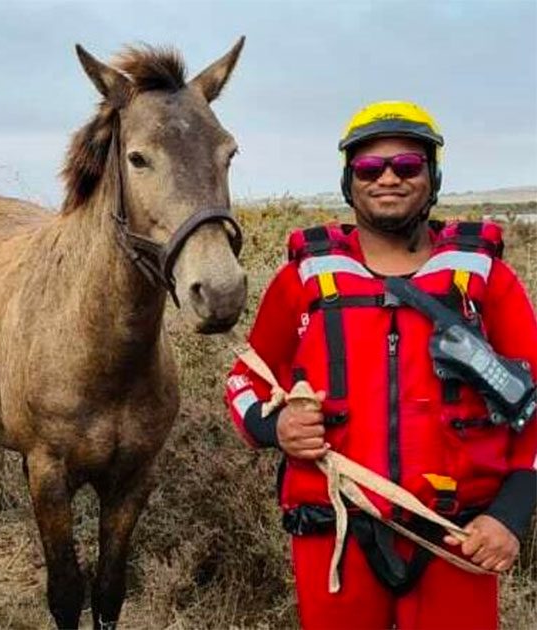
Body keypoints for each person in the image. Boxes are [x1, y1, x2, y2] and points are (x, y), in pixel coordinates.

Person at [224, 101, 537, 629]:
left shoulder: (486, 281)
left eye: (408, 166)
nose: (388, 178)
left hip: (458, 535)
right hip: (335, 531)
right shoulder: (302, 282)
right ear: (350, 182)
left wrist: (509, 516)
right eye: (369, 168)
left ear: (432, 178)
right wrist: (273, 425)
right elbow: (245, 380)